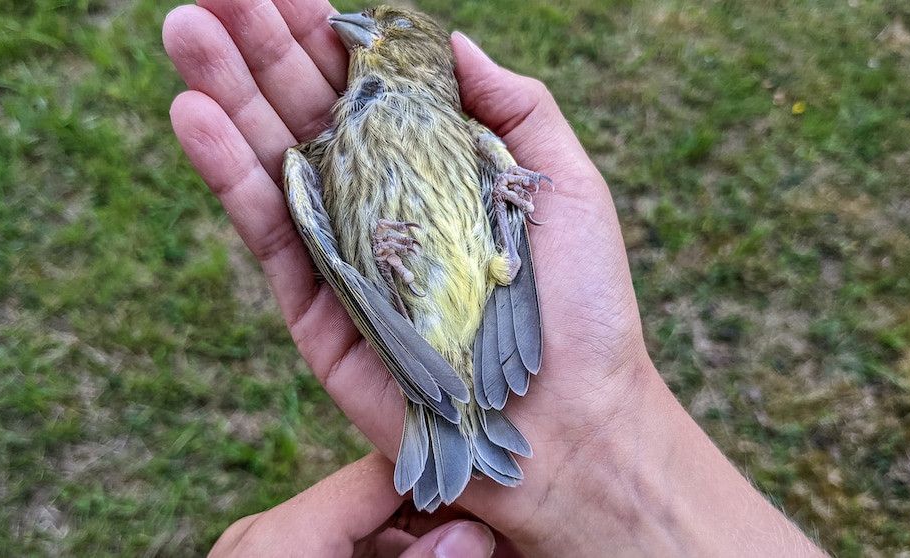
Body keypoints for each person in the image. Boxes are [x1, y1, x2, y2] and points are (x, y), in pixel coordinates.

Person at [162, 1, 828, 556]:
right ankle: (428, 354)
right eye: (369, 24)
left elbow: (508, 249)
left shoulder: (470, 133)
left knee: (484, 251)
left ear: (422, 52)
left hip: (479, 301)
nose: (362, 33)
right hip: (413, 311)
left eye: (389, 26)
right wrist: (381, 264)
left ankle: (451, 407)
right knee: (373, 247)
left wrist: (508, 193)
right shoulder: (325, 154)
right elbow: (339, 269)